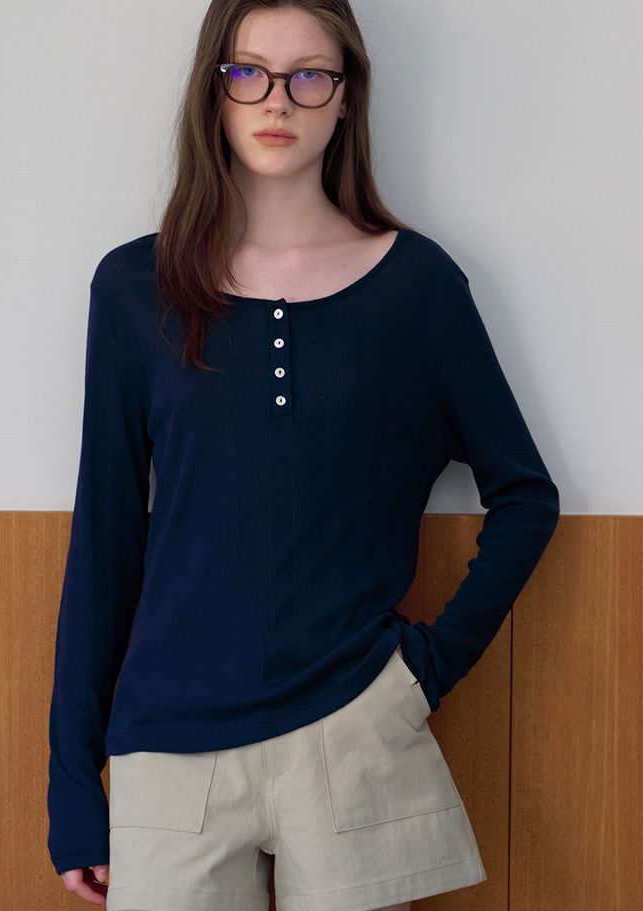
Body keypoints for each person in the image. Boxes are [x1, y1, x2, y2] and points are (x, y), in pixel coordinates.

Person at [48, 1, 559, 908]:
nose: (276, 99)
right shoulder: (135, 286)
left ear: (346, 96)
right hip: (169, 746)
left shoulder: (418, 286)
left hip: (357, 732)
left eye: (308, 75)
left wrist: (424, 670)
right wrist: (72, 786)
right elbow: (105, 543)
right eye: (247, 72)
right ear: (213, 91)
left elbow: (524, 494)